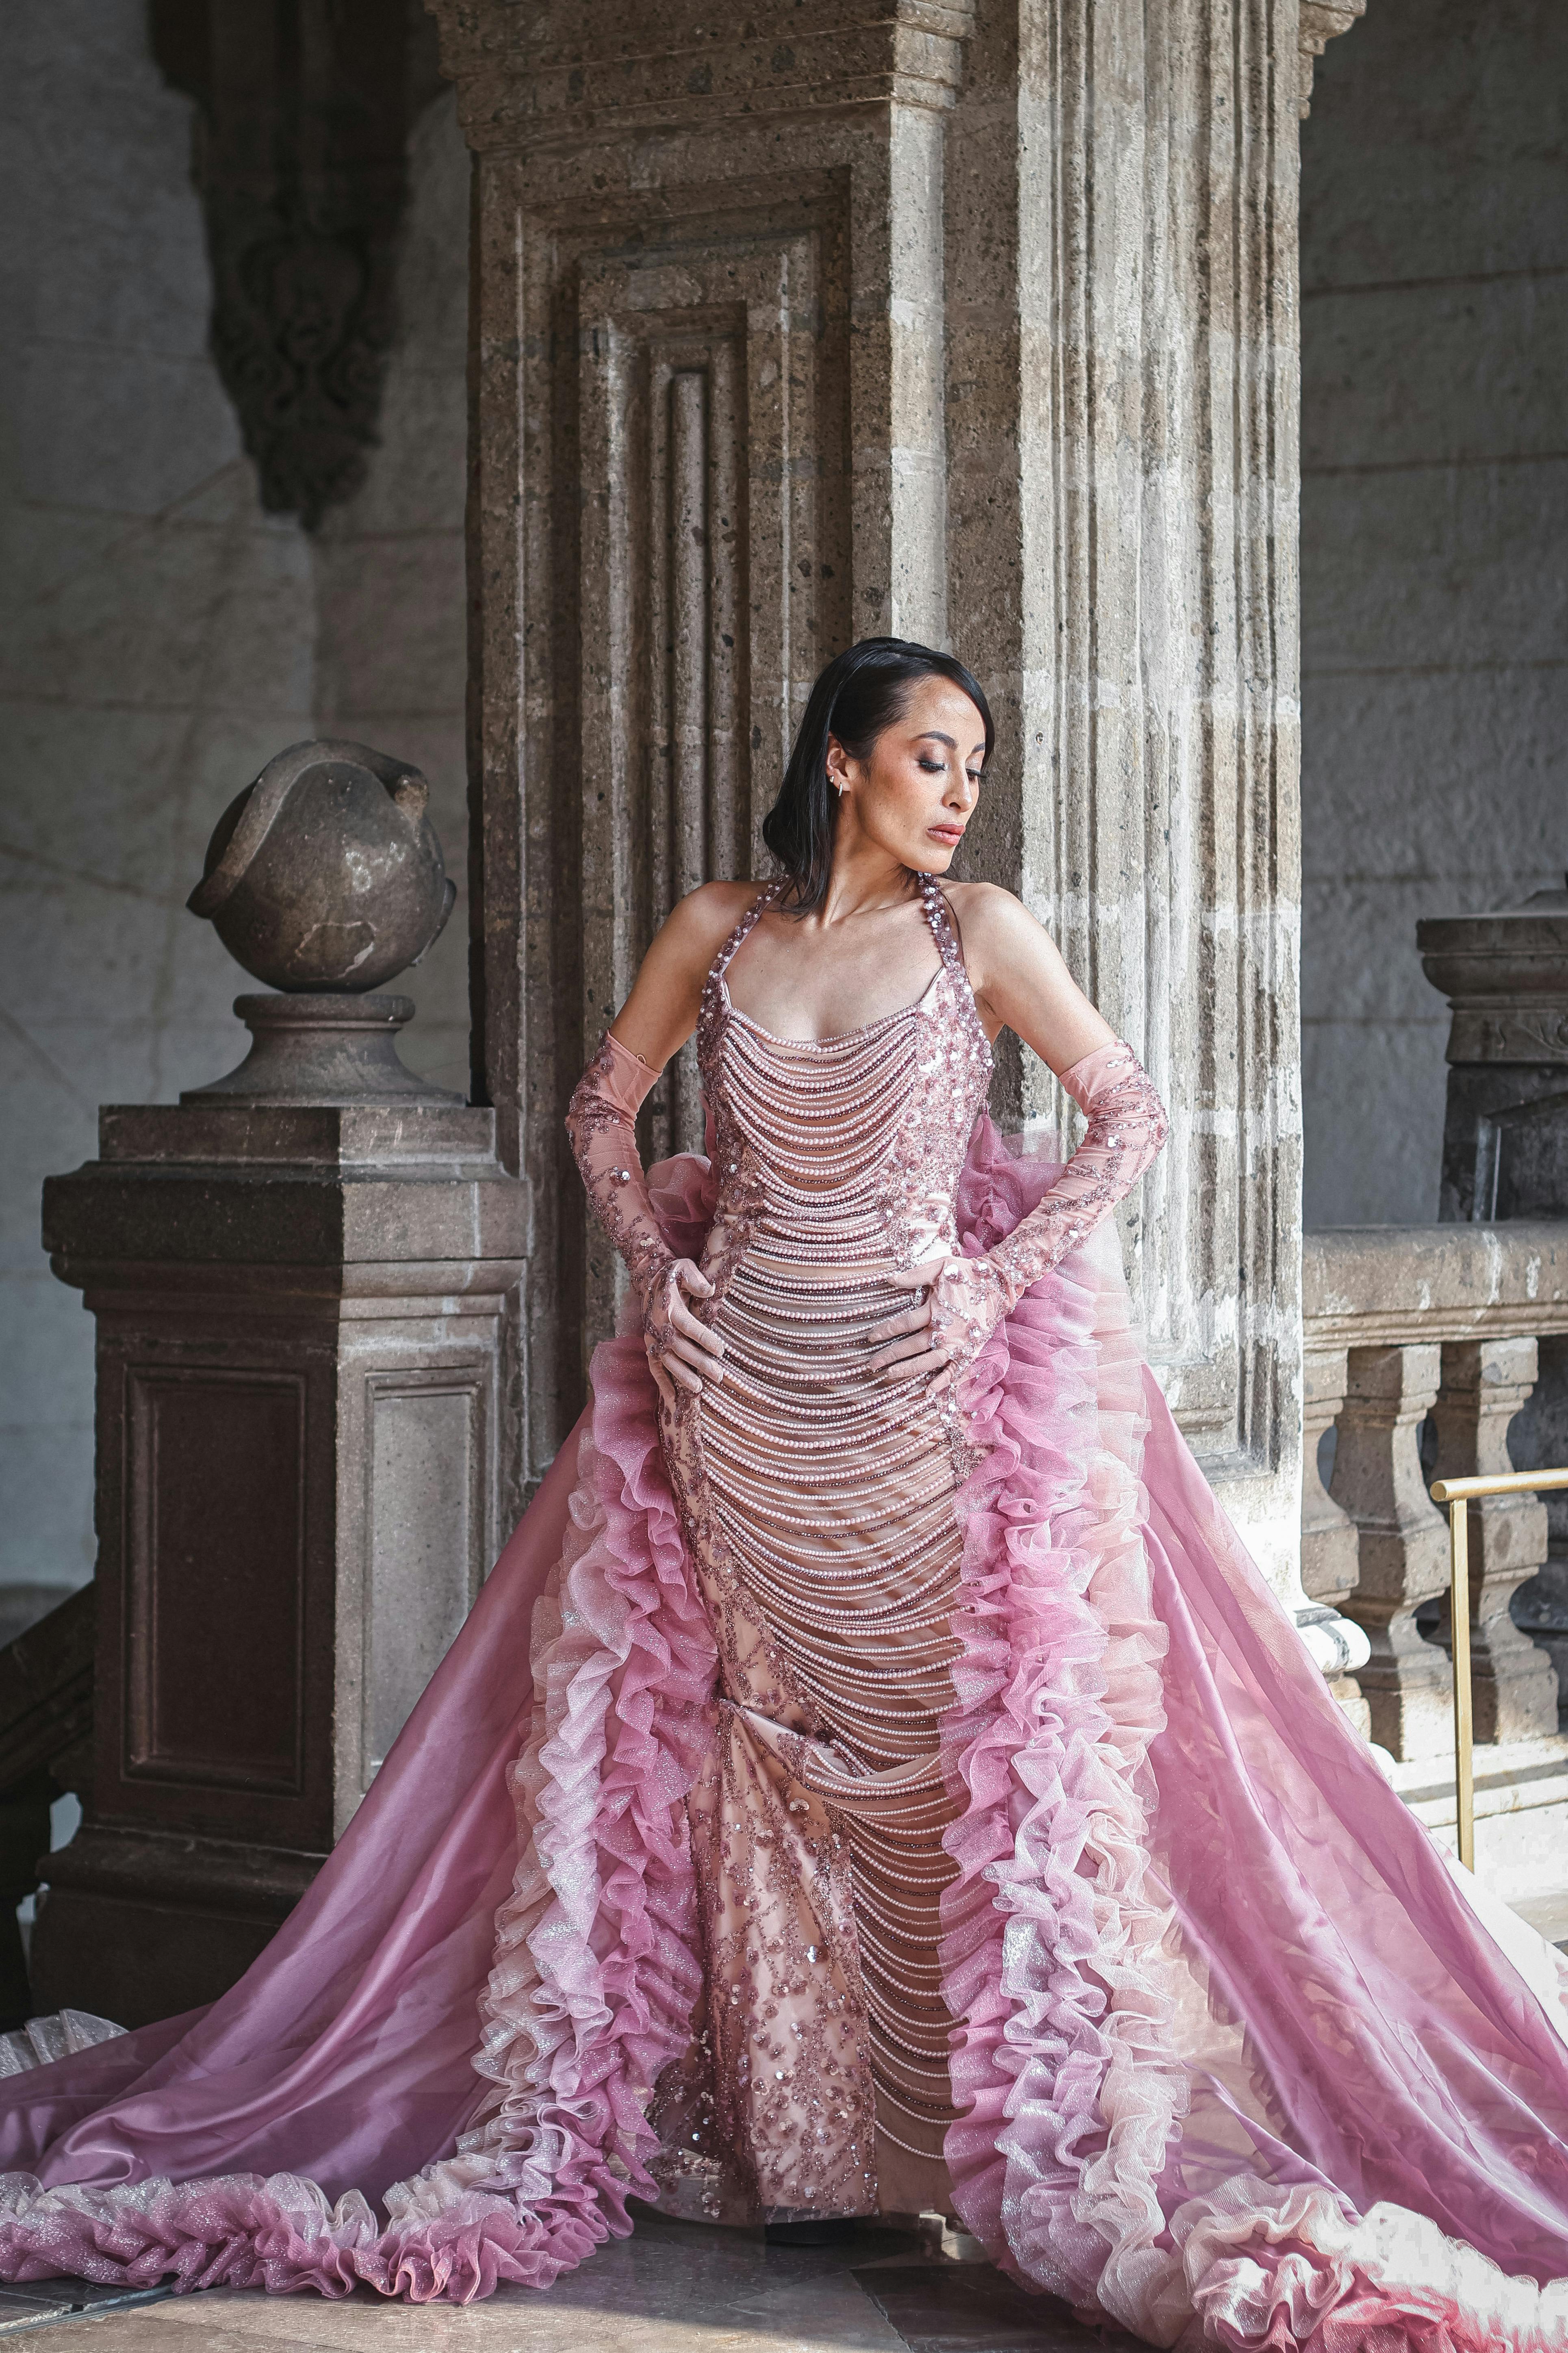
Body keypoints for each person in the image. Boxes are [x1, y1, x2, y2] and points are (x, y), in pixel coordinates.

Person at [0, 642, 1564, 2350]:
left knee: (946, 1773)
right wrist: (649, 1258)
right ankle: (806, 2159)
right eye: (930, 757)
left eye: (975, 764)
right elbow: (600, 1106)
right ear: (839, 762)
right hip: (734, 1411)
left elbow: (1129, 1114)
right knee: (759, 1768)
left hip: (913, 1424)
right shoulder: (718, 928)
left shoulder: (981, 934)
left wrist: (991, 1279)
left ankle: (976, 2157)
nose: (960, 791)